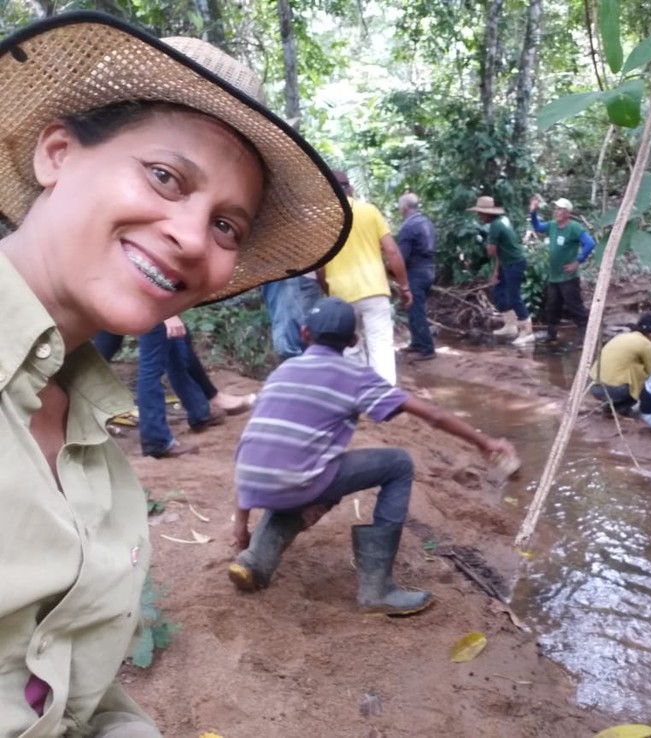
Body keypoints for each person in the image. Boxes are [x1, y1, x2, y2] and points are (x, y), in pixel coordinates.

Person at [0, 13, 348, 735]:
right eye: (165, 176)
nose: (193, 237)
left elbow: (68, 703)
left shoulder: (94, 436)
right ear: (56, 153)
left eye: (228, 225)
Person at [229, 297, 517, 615]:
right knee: (398, 463)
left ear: (305, 334)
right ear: (353, 341)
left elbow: (252, 446)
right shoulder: (353, 376)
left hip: (252, 482)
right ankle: (377, 589)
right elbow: (431, 415)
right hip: (298, 481)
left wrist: (240, 527)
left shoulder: (281, 372)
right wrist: (484, 442)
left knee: (302, 471)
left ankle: (256, 558)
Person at [94, 316, 254, 458]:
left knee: (175, 340)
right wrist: (167, 315)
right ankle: (157, 439)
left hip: (117, 295)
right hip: (149, 301)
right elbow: (154, 281)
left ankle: (200, 410)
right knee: (153, 362)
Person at [322, 171, 411, 383]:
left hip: (341, 295)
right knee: (380, 344)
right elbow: (391, 251)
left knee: (351, 347)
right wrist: (405, 286)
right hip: (374, 291)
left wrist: (329, 293)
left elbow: (320, 267)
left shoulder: (324, 222)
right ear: (351, 188)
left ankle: (357, 394)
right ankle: (383, 397)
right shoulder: (369, 211)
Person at [467, 195, 535, 345]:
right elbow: (500, 252)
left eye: (480, 213)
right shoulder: (501, 221)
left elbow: (491, 251)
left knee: (514, 296)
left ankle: (527, 331)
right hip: (507, 262)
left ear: (487, 213)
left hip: (515, 263)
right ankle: (510, 325)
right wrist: (497, 271)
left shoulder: (496, 226)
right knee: (498, 291)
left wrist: (484, 242)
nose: (478, 216)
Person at [528, 194, 595, 344]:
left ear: (567, 213)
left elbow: (589, 243)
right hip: (554, 276)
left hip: (568, 277)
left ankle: (586, 336)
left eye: (560, 209)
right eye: (556, 209)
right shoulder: (552, 225)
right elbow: (538, 227)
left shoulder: (574, 228)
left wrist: (577, 262)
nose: (556, 212)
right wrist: (533, 212)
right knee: (552, 306)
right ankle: (551, 334)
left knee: (574, 306)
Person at [588, 314, 651, 417]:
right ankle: (620, 408)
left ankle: (612, 406)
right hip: (613, 391)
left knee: (632, 369)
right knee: (643, 377)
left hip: (593, 385)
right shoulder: (648, 345)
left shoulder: (622, 337)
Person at [397, 192, 437, 360]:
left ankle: (427, 349)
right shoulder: (426, 222)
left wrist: (391, 270)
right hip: (429, 270)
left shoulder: (408, 227)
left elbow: (402, 257)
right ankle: (416, 343)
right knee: (414, 309)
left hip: (416, 272)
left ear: (404, 208)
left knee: (416, 310)